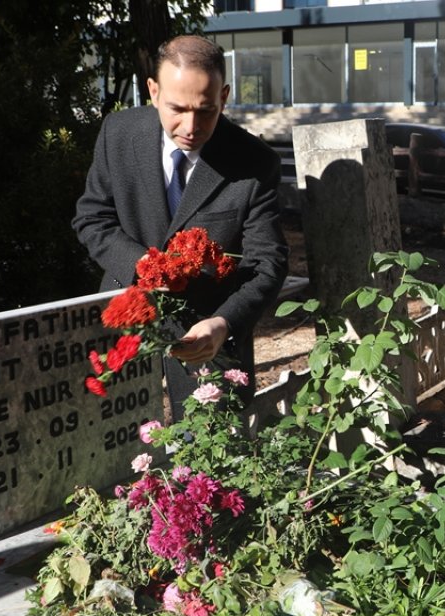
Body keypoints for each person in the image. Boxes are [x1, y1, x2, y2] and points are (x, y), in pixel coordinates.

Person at [74, 35, 288, 416]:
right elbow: (92, 217)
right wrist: (141, 265)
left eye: (206, 110)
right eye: (178, 108)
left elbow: (267, 263)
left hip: (208, 333)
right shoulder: (118, 134)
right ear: (153, 91)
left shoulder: (255, 163)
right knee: (119, 459)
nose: (191, 126)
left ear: (224, 96)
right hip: (124, 319)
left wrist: (224, 323)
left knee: (211, 465)